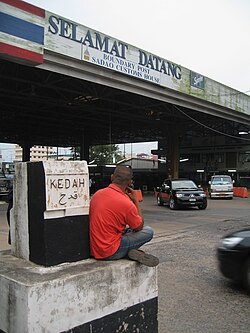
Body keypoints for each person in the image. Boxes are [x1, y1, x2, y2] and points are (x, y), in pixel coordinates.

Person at [89, 165, 159, 267]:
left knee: (127, 229)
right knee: (148, 231)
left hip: (95, 248)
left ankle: (128, 252)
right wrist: (135, 200)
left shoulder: (97, 194)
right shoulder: (127, 203)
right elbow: (139, 226)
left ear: (112, 177)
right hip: (110, 251)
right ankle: (127, 252)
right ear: (130, 183)